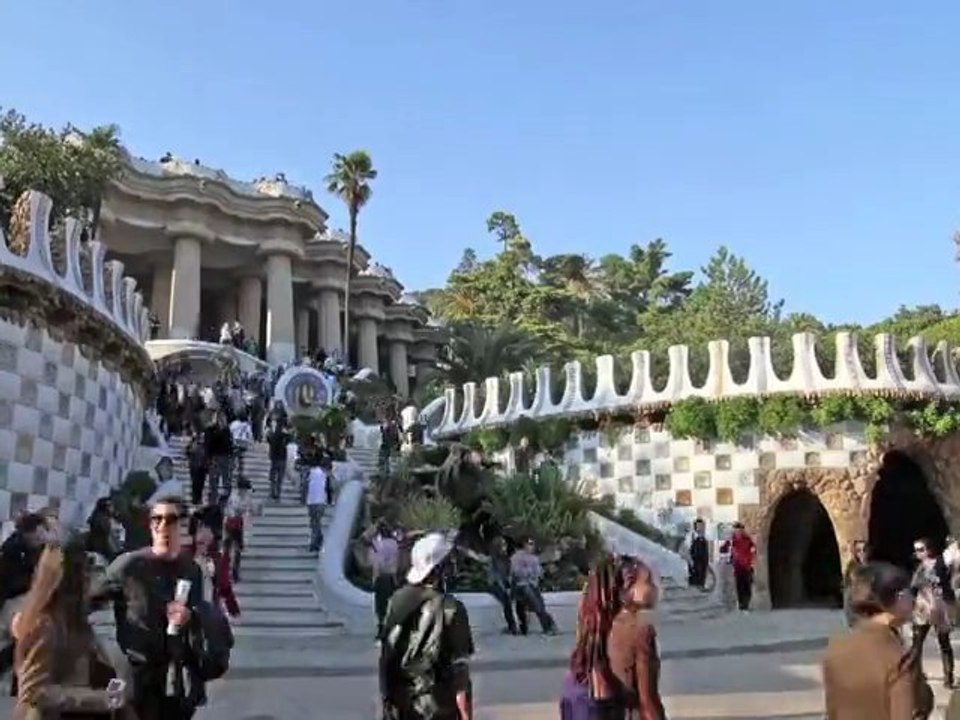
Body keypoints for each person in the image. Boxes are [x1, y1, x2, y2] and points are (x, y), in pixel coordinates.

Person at [89, 496, 207, 720]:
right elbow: (86, 603)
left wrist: (189, 616)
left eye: (170, 520)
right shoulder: (129, 565)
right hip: (136, 674)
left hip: (175, 676)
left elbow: (201, 615)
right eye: (156, 519)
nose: (162, 526)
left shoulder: (192, 570)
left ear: (184, 526)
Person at [12, 539, 134, 719]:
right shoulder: (45, 625)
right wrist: (99, 699)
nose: (90, 579)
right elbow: (34, 692)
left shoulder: (74, 619)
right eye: (85, 572)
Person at [379, 532, 474, 720]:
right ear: (439, 569)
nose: (454, 566)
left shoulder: (397, 601)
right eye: (449, 562)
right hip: (439, 707)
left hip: (403, 705)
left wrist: (388, 703)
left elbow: (386, 658)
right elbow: (460, 671)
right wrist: (466, 715)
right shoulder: (452, 608)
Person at [823, 562, 933, 720]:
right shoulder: (898, 656)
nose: (913, 599)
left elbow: (832, 709)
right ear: (899, 597)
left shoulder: (836, 647)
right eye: (911, 593)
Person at [911, 537, 955, 688]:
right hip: (922, 608)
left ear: (929, 550)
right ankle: (916, 674)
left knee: (944, 642)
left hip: (939, 607)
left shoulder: (941, 562)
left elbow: (950, 576)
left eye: (921, 549)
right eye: (916, 550)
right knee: (917, 643)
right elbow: (913, 588)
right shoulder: (919, 568)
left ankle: (948, 677)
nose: (918, 553)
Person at [188, 524, 240, 620]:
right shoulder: (187, 558)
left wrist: (232, 607)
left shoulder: (218, 560)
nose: (201, 547)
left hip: (210, 605)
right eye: (199, 543)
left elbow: (225, 587)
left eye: (204, 543)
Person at [510, 538, 557, 635]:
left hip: (533, 584)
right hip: (522, 585)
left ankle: (548, 625)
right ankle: (547, 626)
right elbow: (517, 572)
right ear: (524, 545)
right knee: (535, 605)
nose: (532, 546)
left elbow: (538, 572)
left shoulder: (534, 558)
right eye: (530, 544)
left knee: (539, 605)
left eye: (532, 544)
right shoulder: (516, 557)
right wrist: (530, 571)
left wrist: (534, 573)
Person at [223, 478, 260, 583]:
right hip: (231, 524)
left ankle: (235, 573)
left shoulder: (246, 497)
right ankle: (225, 572)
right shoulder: (234, 496)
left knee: (237, 551)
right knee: (228, 550)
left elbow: (251, 509)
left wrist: (255, 510)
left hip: (239, 525)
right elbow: (231, 511)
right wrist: (242, 510)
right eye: (245, 489)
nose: (246, 491)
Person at [719, 523, 755, 612]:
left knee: (747, 587)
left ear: (742, 530)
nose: (737, 532)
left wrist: (751, 560)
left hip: (746, 567)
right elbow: (722, 549)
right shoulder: (731, 541)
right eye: (735, 530)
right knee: (739, 587)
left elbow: (753, 550)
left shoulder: (747, 540)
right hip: (737, 568)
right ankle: (742, 605)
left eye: (739, 530)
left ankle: (746, 604)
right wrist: (726, 547)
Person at [204, 414, 234, 504]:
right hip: (215, 457)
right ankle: (213, 501)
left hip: (225, 457)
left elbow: (229, 444)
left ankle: (223, 500)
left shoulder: (226, 430)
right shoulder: (211, 429)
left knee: (226, 481)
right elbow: (208, 444)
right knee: (214, 481)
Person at [305, 458, 331, 555]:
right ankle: (315, 543)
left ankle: (318, 540)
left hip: (311, 501)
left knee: (314, 522)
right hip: (320, 501)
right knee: (317, 522)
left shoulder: (312, 472)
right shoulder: (325, 475)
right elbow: (329, 488)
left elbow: (306, 484)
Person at [843, 540, 869, 627]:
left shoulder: (869, 566)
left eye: (864, 550)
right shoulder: (854, 569)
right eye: (859, 550)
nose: (862, 553)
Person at [266, 419, 291, 501]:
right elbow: (289, 439)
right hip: (282, 458)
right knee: (280, 478)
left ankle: (273, 492)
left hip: (275, 458)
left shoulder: (274, 435)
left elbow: (269, 440)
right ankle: (278, 493)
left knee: (273, 477)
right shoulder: (285, 436)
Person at [685, 518, 709, 590]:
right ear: (695, 527)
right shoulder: (692, 537)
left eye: (702, 526)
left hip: (703, 561)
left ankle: (701, 585)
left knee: (702, 575)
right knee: (695, 578)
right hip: (695, 561)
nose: (701, 528)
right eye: (699, 526)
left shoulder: (704, 537)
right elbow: (688, 550)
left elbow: (705, 552)